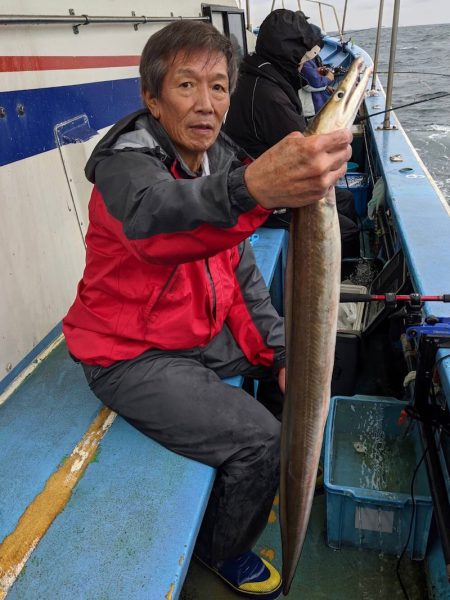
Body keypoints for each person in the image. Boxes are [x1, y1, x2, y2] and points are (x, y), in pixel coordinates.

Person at [63, 20, 352, 599]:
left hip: (197, 330)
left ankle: (284, 481)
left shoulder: (216, 158)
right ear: (152, 98)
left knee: (292, 376)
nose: (206, 104)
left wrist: (277, 351)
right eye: (186, 85)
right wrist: (252, 189)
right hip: (131, 354)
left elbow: (239, 276)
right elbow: (160, 221)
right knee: (263, 440)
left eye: (218, 87)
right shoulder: (126, 165)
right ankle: (222, 551)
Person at [224, 9, 360, 258]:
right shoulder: (269, 95)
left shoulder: (260, 74)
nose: (304, 62)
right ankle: (343, 288)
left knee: (347, 200)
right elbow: (306, 154)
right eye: (302, 56)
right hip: (267, 197)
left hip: (266, 176)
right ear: (289, 53)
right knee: (348, 230)